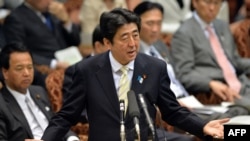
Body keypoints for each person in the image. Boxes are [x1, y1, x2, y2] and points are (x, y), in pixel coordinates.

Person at [41, 8, 229, 141]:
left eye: (135, 35)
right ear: (107, 42)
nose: (133, 43)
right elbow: (67, 115)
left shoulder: (154, 68)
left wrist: (202, 126)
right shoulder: (86, 70)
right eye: (124, 37)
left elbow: (172, 111)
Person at [134, 0, 248, 123]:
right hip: (177, 102)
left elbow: (175, 76)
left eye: (159, 23)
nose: (155, 29)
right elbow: (184, 74)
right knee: (233, 117)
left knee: (237, 114)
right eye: (150, 23)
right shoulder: (134, 54)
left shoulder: (159, 46)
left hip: (188, 98)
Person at [171, 0, 250, 105]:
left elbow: (234, 60)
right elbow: (184, 74)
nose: (212, 8)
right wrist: (210, 83)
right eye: (208, 2)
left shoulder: (222, 25)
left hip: (241, 83)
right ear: (195, 3)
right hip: (216, 91)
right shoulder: (184, 33)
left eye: (217, 3)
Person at [0, 42, 79, 141]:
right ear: (5, 72)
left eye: (30, 67)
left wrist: (71, 138)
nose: (27, 73)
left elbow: (56, 123)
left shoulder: (39, 91)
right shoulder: (2, 103)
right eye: (19, 68)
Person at [3, 0, 80, 70]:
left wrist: (66, 21)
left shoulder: (55, 12)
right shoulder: (16, 18)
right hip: (45, 69)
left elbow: (76, 41)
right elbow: (18, 52)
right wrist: (53, 63)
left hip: (71, 60)